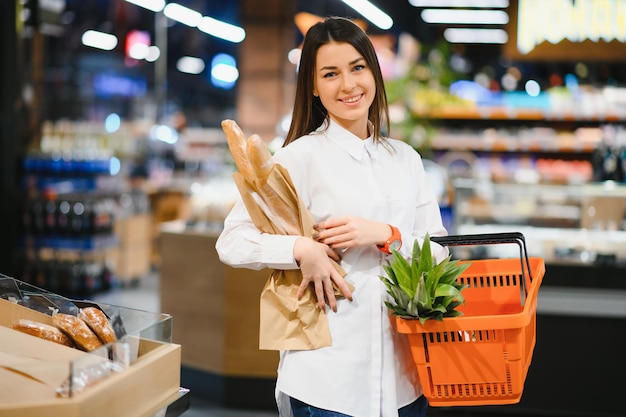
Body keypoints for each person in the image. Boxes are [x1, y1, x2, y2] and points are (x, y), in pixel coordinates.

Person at [216, 16, 449, 417]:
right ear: (313, 85)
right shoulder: (298, 157)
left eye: (358, 68)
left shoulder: (405, 159)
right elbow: (232, 241)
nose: (348, 85)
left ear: (374, 73)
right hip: (327, 379)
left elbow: (440, 253)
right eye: (331, 74)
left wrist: (387, 235)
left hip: (404, 379)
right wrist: (302, 248)